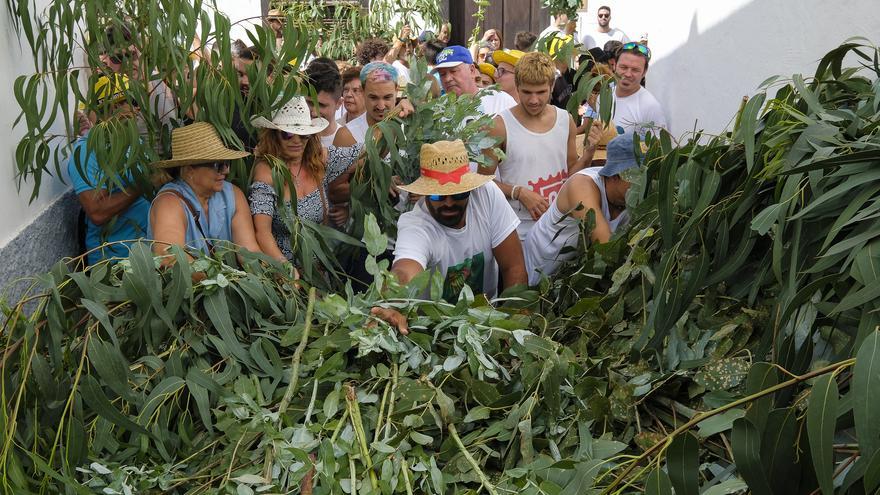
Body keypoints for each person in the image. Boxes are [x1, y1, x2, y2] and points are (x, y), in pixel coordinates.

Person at [479, 52, 596, 243]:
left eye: (541, 92)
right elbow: (482, 182)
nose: (534, 100)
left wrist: (589, 153)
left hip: (563, 229)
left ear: (552, 87)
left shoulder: (565, 120)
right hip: (520, 232)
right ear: (517, 87)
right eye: (526, 92)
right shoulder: (499, 126)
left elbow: (571, 174)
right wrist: (519, 192)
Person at [392, 140, 526, 302]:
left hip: (488, 321)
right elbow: (404, 272)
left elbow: (513, 267)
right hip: (435, 325)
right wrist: (394, 301)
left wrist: (516, 317)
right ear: (425, 193)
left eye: (458, 194)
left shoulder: (487, 194)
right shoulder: (417, 226)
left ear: (470, 188)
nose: (449, 203)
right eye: (438, 196)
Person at [247, 97, 362, 260]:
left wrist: (393, 117)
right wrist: (287, 272)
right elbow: (262, 232)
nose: (296, 140)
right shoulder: (267, 173)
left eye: (304, 134)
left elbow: (369, 152)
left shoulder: (319, 161)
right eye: (287, 134)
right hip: (284, 272)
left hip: (321, 267)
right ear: (274, 135)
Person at [524, 133, 640, 284]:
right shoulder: (582, 185)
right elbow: (606, 248)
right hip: (540, 272)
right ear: (614, 175)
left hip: (572, 278)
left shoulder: (633, 198)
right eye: (636, 175)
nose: (643, 182)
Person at [69, 75, 150, 265]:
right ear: (110, 108)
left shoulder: (133, 141)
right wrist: (142, 185)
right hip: (113, 262)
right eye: (131, 102)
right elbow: (97, 212)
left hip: (146, 254)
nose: (137, 109)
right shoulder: (86, 152)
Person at [149, 122, 260, 257]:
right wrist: (218, 277)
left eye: (227, 163)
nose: (226, 170)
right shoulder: (169, 203)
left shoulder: (233, 194)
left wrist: (276, 273)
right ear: (190, 169)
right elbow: (170, 257)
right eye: (217, 165)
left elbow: (249, 253)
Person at [433, 45, 516, 116]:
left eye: (453, 71)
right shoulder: (437, 109)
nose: (447, 79)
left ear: (472, 70)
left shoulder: (500, 101)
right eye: (442, 74)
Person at [611, 42, 667, 134]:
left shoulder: (651, 107)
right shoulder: (604, 96)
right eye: (623, 67)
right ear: (615, 65)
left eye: (635, 70)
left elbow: (658, 146)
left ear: (644, 72)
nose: (628, 74)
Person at [338, 62, 398, 145]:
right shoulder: (346, 136)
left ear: (396, 92)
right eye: (373, 98)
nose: (381, 106)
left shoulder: (408, 128)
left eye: (387, 97)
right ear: (363, 92)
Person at [304, 57, 353, 149]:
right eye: (310, 103)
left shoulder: (348, 142)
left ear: (339, 103)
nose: (314, 112)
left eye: (321, 105)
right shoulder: (291, 139)